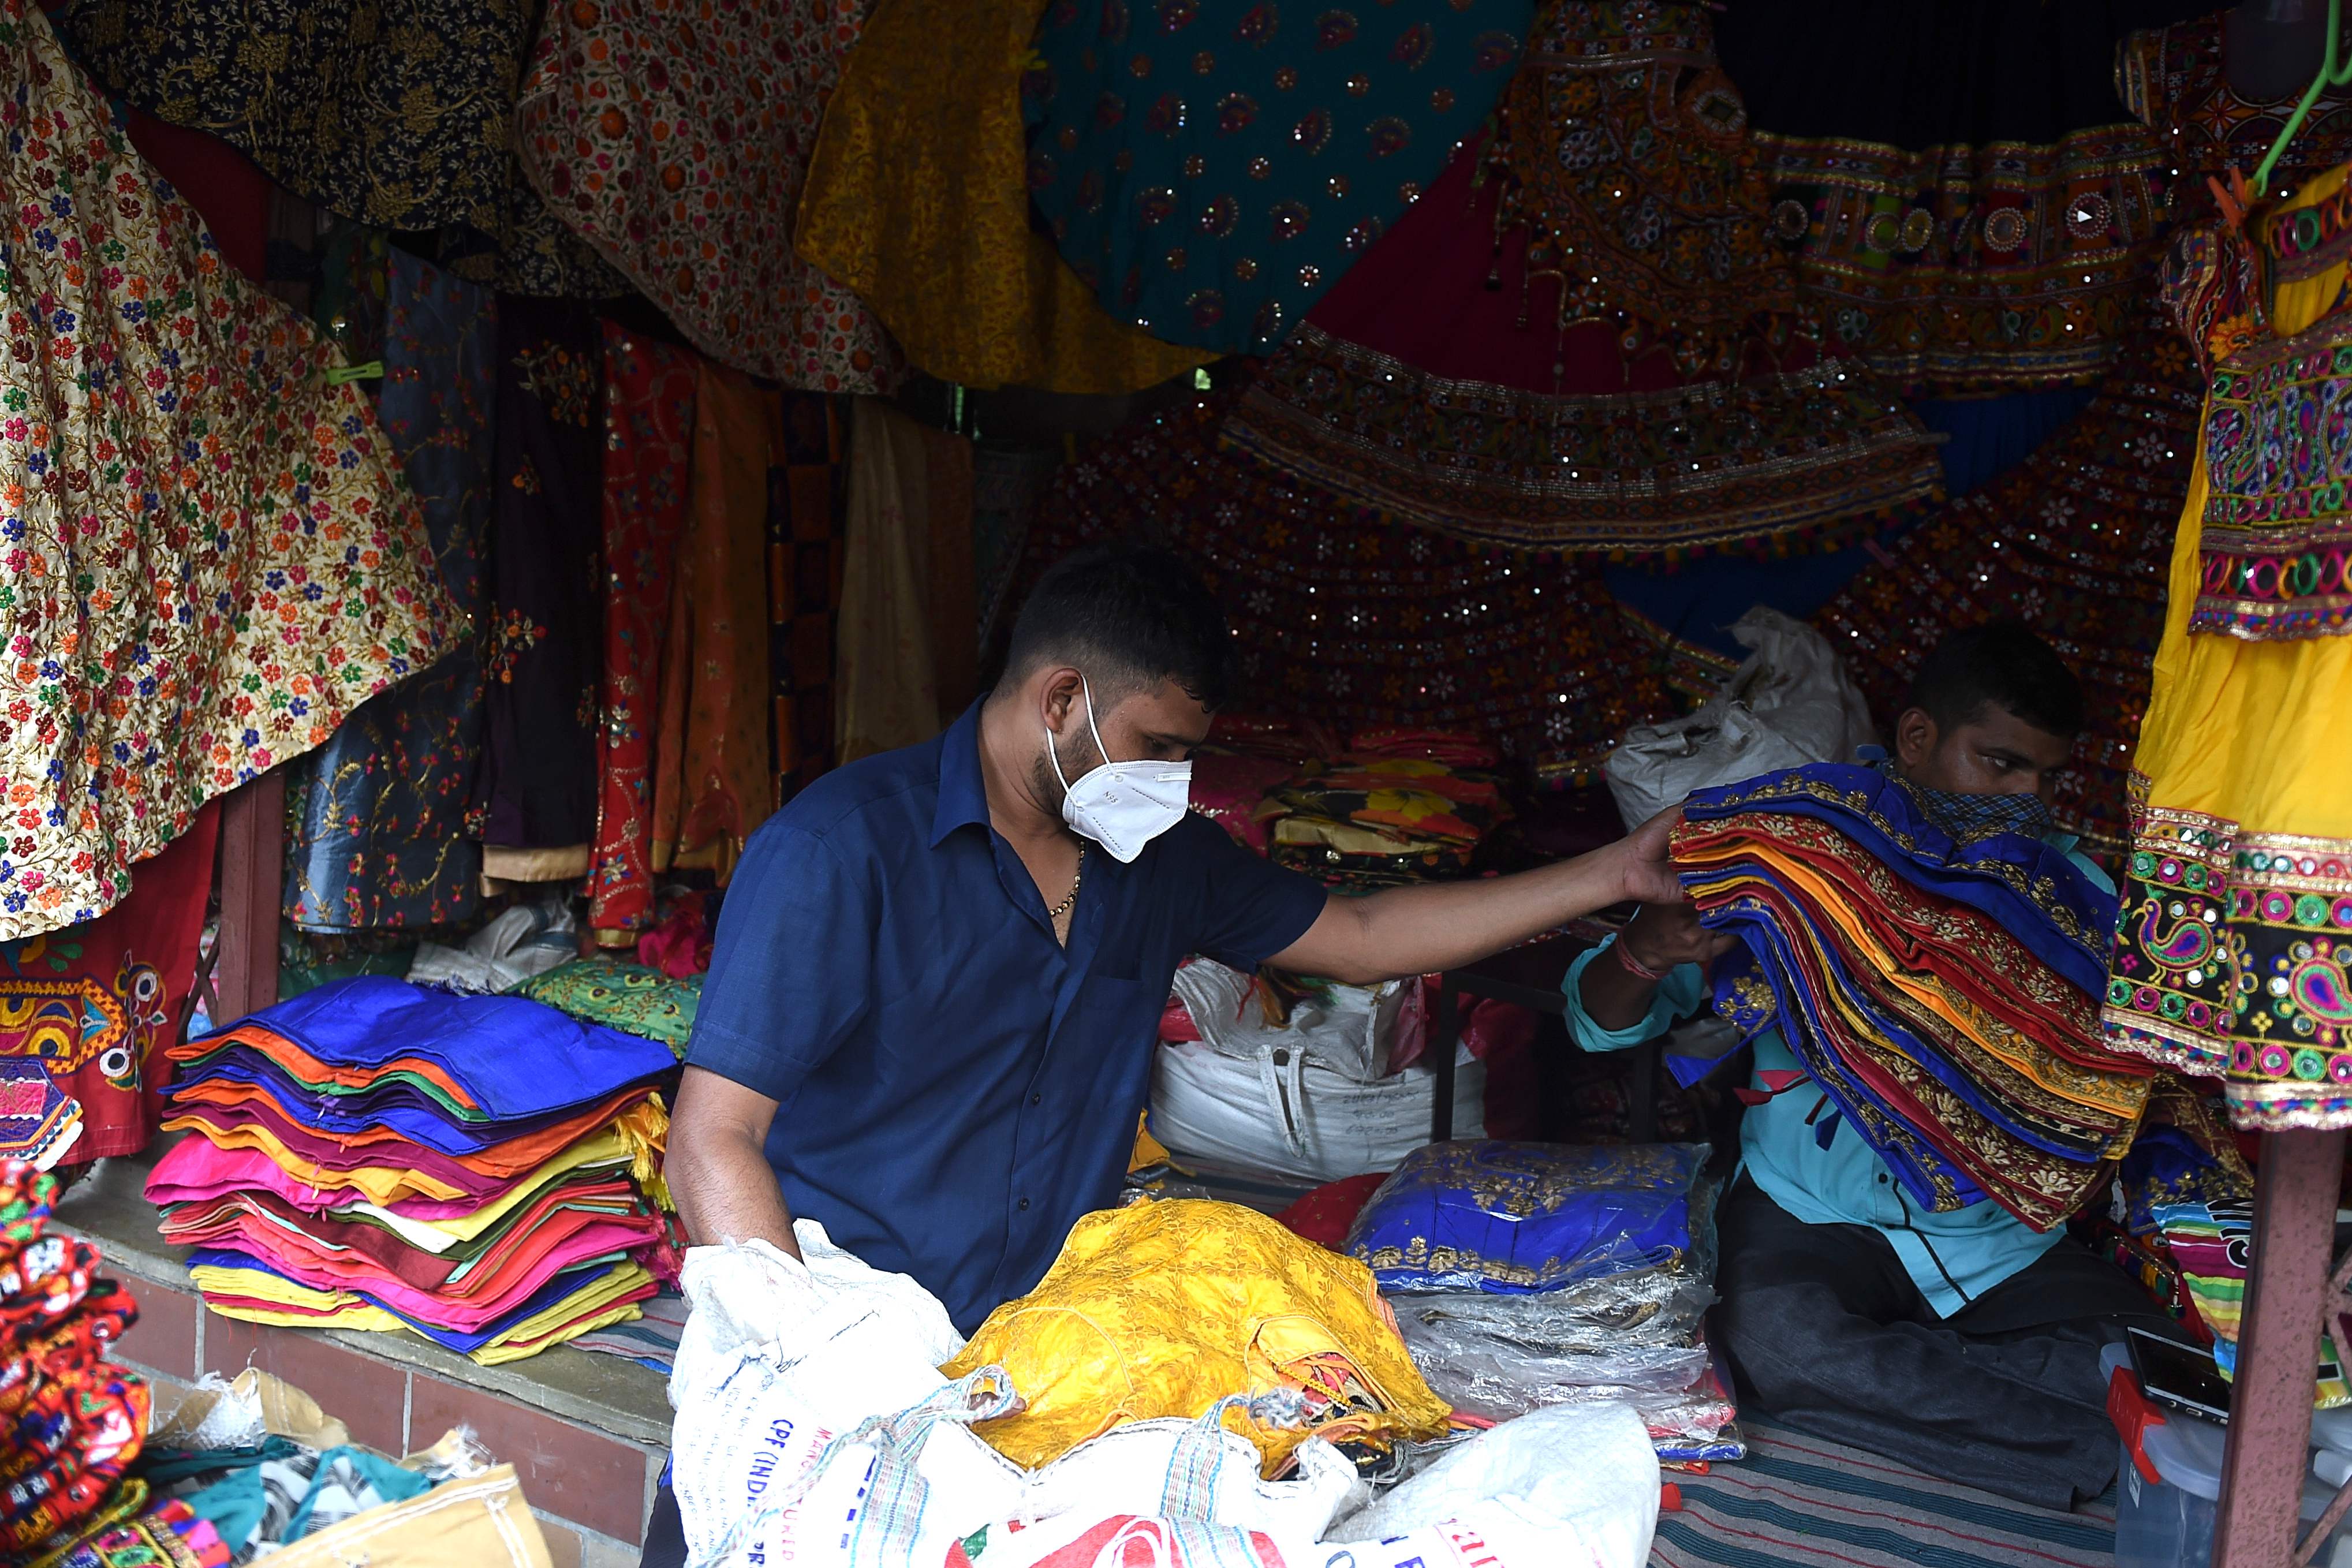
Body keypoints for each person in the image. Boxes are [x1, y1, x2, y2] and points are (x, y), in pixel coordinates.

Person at [638, 542, 1679, 1562]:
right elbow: (713, 1140)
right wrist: (823, 1369)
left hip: (1035, 1374)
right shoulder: (842, 848)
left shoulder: (1158, 861)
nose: (1176, 781)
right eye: (1158, 745)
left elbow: (1363, 941)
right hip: (830, 1366)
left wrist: (1609, 876)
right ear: (1060, 702)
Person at [1564, 620, 2175, 1510]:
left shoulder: (2072, 895)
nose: (2027, 798)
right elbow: (1596, 1025)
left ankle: (1925, 1398)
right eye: (2000, 763)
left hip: (1994, 1235)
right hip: (1809, 1212)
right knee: (1773, 1335)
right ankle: (2090, 1445)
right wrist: (1648, 948)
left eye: (2044, 776)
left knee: (2169, 1368)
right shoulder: (1796, 850)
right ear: (1918, 739)